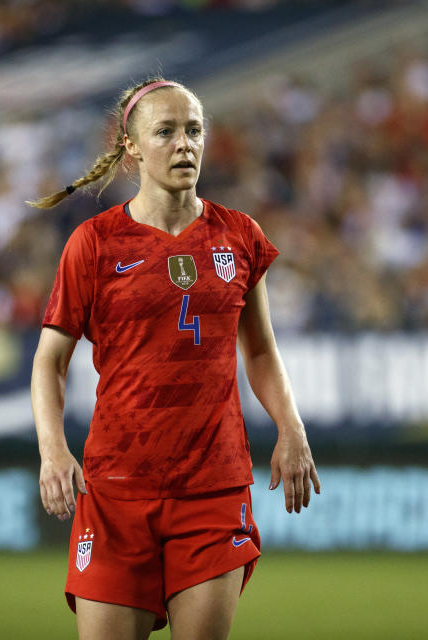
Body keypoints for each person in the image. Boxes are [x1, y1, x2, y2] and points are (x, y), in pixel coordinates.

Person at [29, 77, 320, 640]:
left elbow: (258, 347)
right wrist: (52, 450)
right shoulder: (94, 244)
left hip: (212, 489)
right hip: (114, 489)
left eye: (194, 130)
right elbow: (49, 361)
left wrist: (291, 426)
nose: (184, 143)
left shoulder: (238, 235)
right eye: (166, 131)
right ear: (131, 147)